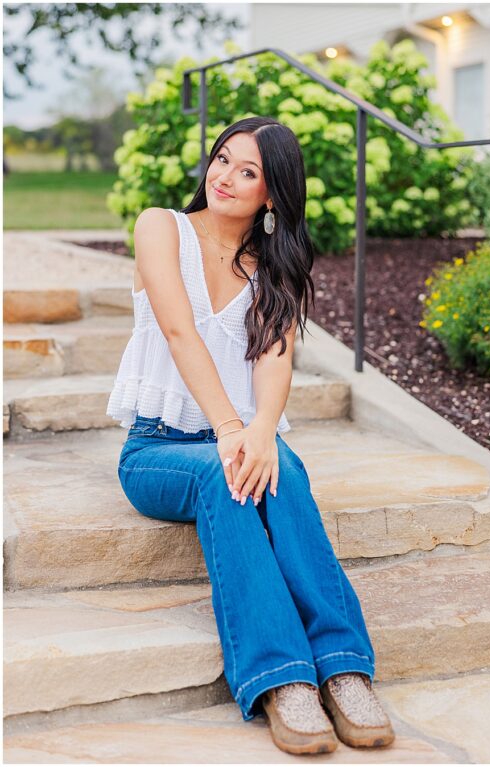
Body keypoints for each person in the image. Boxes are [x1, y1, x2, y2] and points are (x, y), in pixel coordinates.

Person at [107, 116, 394, 756]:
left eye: (248, 171)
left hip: (238, 436)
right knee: (225, 475)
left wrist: (262, 428)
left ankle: (344, 666)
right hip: (157, 449)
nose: (225, 177)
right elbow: (180, 333)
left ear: (272, 195)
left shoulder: (273, 268)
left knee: (282, 469)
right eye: (222, 159)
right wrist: (234, 430)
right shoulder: (162, 227)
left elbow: (275, 359)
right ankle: (283, 679)